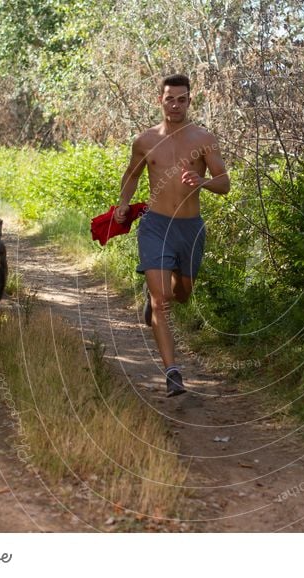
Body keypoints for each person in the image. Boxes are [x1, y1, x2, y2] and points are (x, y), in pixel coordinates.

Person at [114, 74, 230, 397]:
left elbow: (225, 184)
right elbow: (131, 175)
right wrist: (123, 203)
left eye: (181, 99)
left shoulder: (204, 140)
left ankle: (159, 300)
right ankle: (172, 371)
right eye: (169, 99)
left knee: (183, 294)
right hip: (155, 226)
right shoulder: (146, 140)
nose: (175, 105)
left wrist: (202, 181)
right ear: (160, 101)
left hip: (189, 229)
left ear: (190, 101)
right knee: (161, 299)